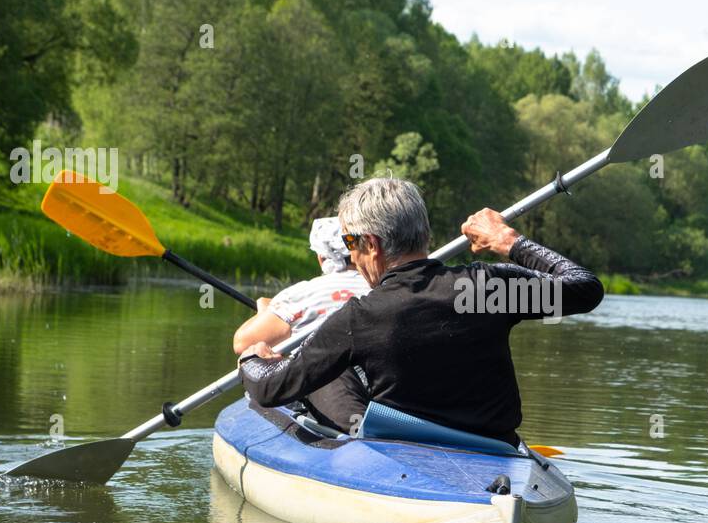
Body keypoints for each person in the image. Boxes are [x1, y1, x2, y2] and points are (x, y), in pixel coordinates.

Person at [237, 177, 604, 447]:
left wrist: (255, 359)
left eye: (351, 242)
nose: (349, 255)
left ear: (372, 244)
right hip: (494, 446)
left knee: (329, 369)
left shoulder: (359, 318)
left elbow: (271, 389)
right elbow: (584, 288)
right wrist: (508, 241)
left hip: (408, 452)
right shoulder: (483, 288)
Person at [232, 216, 371, 432]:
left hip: (331, 389)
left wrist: (266, 310)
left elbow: (243, 344)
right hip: (376, 384)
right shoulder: (384, 288)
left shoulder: (303, 292)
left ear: (320, 257)